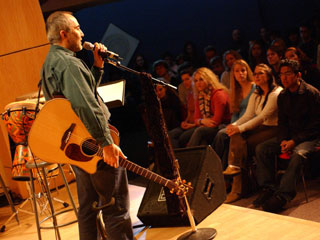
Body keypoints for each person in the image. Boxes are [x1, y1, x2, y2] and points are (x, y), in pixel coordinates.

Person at [41, 11, 133, 240]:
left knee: (88, 208)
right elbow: (85, 106)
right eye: (78, 28)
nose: (82, 33)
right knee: (116, 206)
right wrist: (107, 143)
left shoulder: (52, 61)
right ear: (64, 33)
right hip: (93, 143)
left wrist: (97, 66)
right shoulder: (69, 65)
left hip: (76, 144)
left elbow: (80, 94)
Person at [253, 59, 320, 213]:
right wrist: (284, 139)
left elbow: (316, 126)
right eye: (281, 74)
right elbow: (282, 122)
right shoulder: (283, 95)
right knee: (262, 149)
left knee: (298, 154)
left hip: (311, 137)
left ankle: (283, 195)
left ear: (298, 75)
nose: (284, 78)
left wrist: (294, 141)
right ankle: (268, 188)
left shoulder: (311, 93)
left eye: (288, 74)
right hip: (290, 137)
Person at [223, 64, 282, 203]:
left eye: (261, 73)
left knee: (243, 145)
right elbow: (248, 115)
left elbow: (261, 117)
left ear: (268, 75)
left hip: (275, 128)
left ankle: (239, 186)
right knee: (235, 136)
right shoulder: (257, 92)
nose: (257, 76)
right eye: (255, 74)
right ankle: (239, 180)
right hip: (262, 127)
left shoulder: (276, 93)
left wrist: (240, 128)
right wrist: (235, 125)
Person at [212, 59, 255, 169]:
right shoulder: (235, 91)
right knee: (226, 137)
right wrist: (233, 125)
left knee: (222, 134)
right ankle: (223, 171)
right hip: (237, 123)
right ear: (233, 74)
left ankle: (214, 166)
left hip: (249, 124)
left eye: (243, 70)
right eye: (237, 71)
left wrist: (234, 126)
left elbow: (253, 113)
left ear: (247, 72)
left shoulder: (254, 87)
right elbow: (235, 113)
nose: (240, 73)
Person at [186, 67, 231, 147]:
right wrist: (202, 121)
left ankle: (188, 158)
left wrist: (201, 121)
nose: (198, 83)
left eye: (201, 79)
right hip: (206, 124)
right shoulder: (200, 95)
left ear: (209, 79)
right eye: (196, 81)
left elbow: (216, 121)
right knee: (183, 137)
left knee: (200, 131)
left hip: (223, 125)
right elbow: (196, 119)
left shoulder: (218, 94)